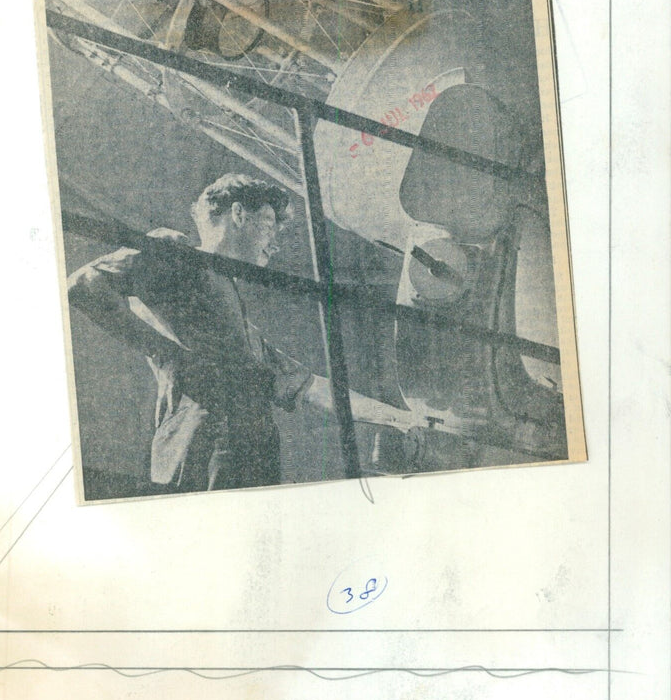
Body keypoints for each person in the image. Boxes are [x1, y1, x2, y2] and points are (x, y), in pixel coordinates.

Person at [68, 173, 468, 493]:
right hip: (200, 449)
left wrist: (402, 417)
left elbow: (314, 387)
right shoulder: (179, 253)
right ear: (238, 213)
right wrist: (168, 355)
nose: (274, 243)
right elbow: (83, 285)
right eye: (270, 223)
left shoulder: (246, 335)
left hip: (251, 455)